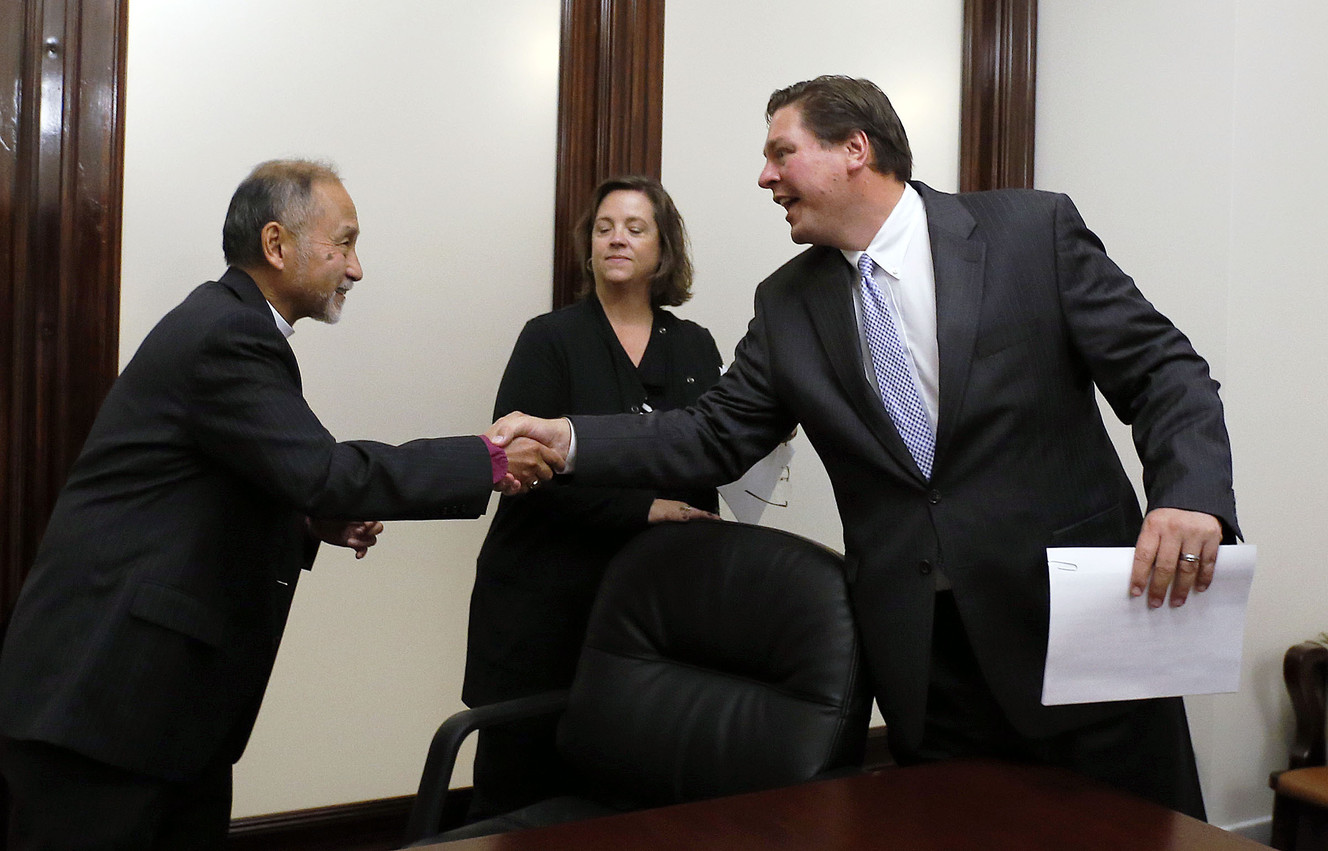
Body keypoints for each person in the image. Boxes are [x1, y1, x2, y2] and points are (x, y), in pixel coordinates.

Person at [489, 76, 1239, 819]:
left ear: (855, 148)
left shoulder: (1030, 232)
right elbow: (712, 434)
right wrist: (572, 437)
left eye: (782, 152)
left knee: (1136, 832)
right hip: (926, 661)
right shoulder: (787, 304)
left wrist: (1188, 494)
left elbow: (1165, 371)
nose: (765, 176)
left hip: (1078, 632)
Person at [0, 159, 560, 849]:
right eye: (344, 242)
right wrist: (489, 458)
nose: (356, 269)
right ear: (276, 245)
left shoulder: (229, 323)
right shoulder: (227, 334)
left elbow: (231, 479)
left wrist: (304, 518)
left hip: (159, 713)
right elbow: (325, 470)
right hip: (106, 708)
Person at [463, 175, 722, 819]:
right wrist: (643, 508)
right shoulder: (549, 337)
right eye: (605, 227)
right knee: (517, 790)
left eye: (636, 228)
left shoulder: (694, 345)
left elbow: (710, 454)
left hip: (648, 605)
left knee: (624, 790)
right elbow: (517, 468)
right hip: (541, 600)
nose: (617, 239)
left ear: (664, 250)